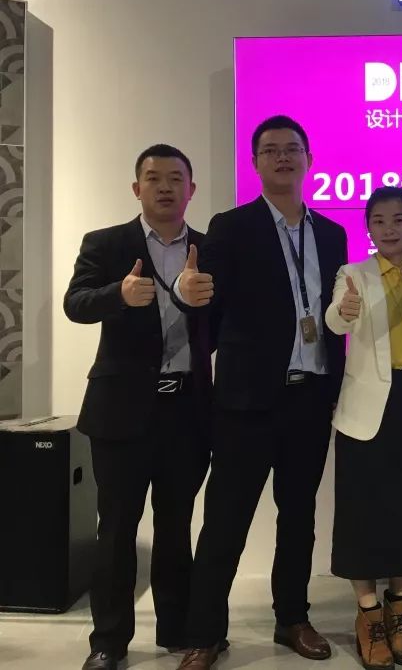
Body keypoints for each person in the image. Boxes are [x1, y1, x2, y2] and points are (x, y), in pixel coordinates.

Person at [173, 115, 348, 670]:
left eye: (292, 148)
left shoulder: (332, 234)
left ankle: (292, 617)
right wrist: (183, 292)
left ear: (309, 159)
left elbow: (336, 316)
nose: (282, 157)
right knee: (226, 522)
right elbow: (204, 303)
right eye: (270, 150)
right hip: (246, 402)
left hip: (310, 397)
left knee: (298, 518)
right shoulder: (231, 227)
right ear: (255, 163)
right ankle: (205, 634)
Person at [64, 145, 213, 670]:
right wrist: (118, 294)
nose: (165, 187)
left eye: (176, 178)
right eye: (154, 178)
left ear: (191, 189)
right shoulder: (106, 243)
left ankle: (176, 630)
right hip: (120, 412)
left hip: (187, 412)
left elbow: (226, 324)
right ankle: (108, 641)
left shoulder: (209, 249)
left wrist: (203, 303)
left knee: (176, 528)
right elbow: (75, 303)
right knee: (116, 531)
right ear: (137, 188)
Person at [324, 186, 402, 670]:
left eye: (398, 219)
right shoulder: (352, 274)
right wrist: (344, 312)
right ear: (368, 228)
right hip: (366, 412)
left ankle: (399, 612)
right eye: (378, 220)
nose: (389, 229)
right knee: (362, 515)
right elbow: (335, 320)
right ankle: (369, 615)